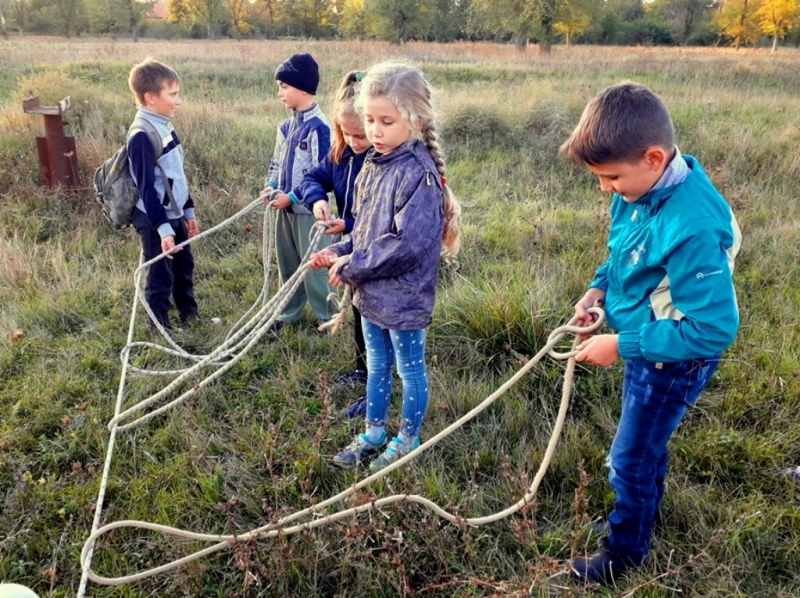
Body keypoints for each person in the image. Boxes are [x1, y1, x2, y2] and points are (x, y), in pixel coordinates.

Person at [560, 81, 742, 585]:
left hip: (673, 358)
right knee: (644, 447)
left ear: (655, 158)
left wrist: (622, 344)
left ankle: (624, 554)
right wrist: (599, 290)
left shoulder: (693, 226)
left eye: (611, 177)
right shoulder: (641, 188)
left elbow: (712, 329)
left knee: (628, 458)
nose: (605, 188)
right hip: (647, 340)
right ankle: (643, 505)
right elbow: (626, 250)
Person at [310, 63, 461, 472]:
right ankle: (374, 431)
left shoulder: (419, 176)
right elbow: (364, 229)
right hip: (370, 293)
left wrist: (352, 263)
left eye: (385, 121)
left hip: (404, 298)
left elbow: (405, 246)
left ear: (416, 119)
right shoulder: (373, 165)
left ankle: (407, 438)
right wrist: (339, 249)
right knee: (376, 364)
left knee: (409, 369)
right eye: (370, 120)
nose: (375, 131)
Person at [293, 70, 373, 415]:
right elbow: (313, 176)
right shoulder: (340, 154)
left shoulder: (385, 161)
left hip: (375, 248)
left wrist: (349, 224)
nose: (354, 141)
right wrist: (317, 200)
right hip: (351, 247)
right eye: (347, 133)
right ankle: (362, 368)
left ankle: (376, 381)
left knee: (374, 315)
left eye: (361, 134)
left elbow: (385, 219)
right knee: (358, 308)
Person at [128, 58, 202, 331]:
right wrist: (163, 230)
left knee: (184, 265)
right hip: (155, 217)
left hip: (175, 213)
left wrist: (188, 210)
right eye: (172, 94)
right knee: (160, 273)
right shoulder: (141, 134)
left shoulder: (164, 123)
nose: (178, 100)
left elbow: (177, 173)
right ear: (150, 97)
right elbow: (147, 188)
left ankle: (189, 315)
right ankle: (159, 327)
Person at [262, 53, 334, 332]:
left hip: (310, 213)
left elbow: (321, 173)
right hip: (284, 210)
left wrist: (291, 197)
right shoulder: (286, 126)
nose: (280, 92)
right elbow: (276, 162)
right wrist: (271, 186)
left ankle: (328, 317)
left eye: (284, 86)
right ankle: (288, 314)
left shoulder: (321, 127)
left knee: (314, 265)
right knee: (288, 262)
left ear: (303, 88)